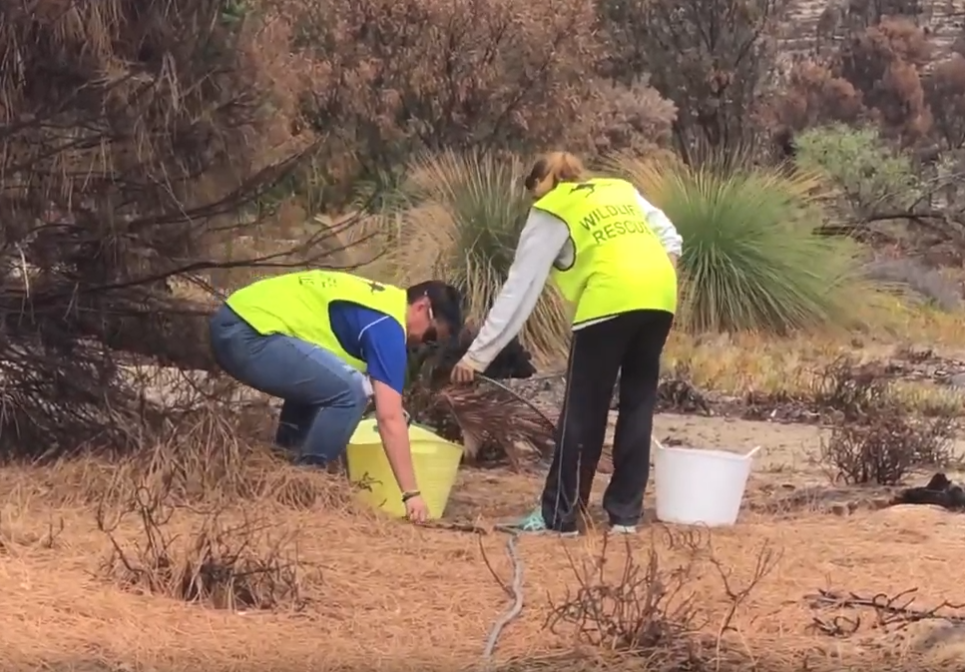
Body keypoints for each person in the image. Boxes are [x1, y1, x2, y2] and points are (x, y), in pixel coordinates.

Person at [450, 151, 682, 536]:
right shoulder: (619, 190)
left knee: (583, 410)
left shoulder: (552, 209)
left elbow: (520, 289)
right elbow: (670, 236)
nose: (534, 204)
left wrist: (477, 356)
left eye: (534, 195)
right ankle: (625, 516)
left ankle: (560, 515)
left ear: (545, 186)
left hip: (608, 302)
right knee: (638, 404)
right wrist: (657, 282)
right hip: (659, 298)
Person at [209, 269, 463, 523]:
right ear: (422, 307)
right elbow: (389, 418)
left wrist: (389, 405)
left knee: (329, 385)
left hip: (236, 321)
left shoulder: (379, 302)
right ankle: (304, 485)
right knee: (352, 392)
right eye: (430, 337)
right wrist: (412, 494)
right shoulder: (388, 325)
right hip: (248, 333)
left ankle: (282, 463)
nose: (420, 344)